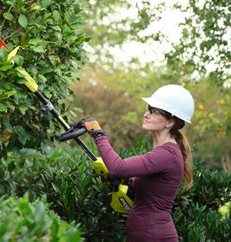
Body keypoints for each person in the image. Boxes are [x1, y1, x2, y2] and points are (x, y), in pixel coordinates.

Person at [80, 84, 194, 242]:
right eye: (148, 108)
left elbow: (118, 167)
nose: (146, 114)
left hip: (152, 235)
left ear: (170, 122)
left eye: (154, 111)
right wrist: (125, 180)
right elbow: (147, 185)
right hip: (147, 233)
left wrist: (98, 134)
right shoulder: (163, 152)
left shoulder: (167, 154)